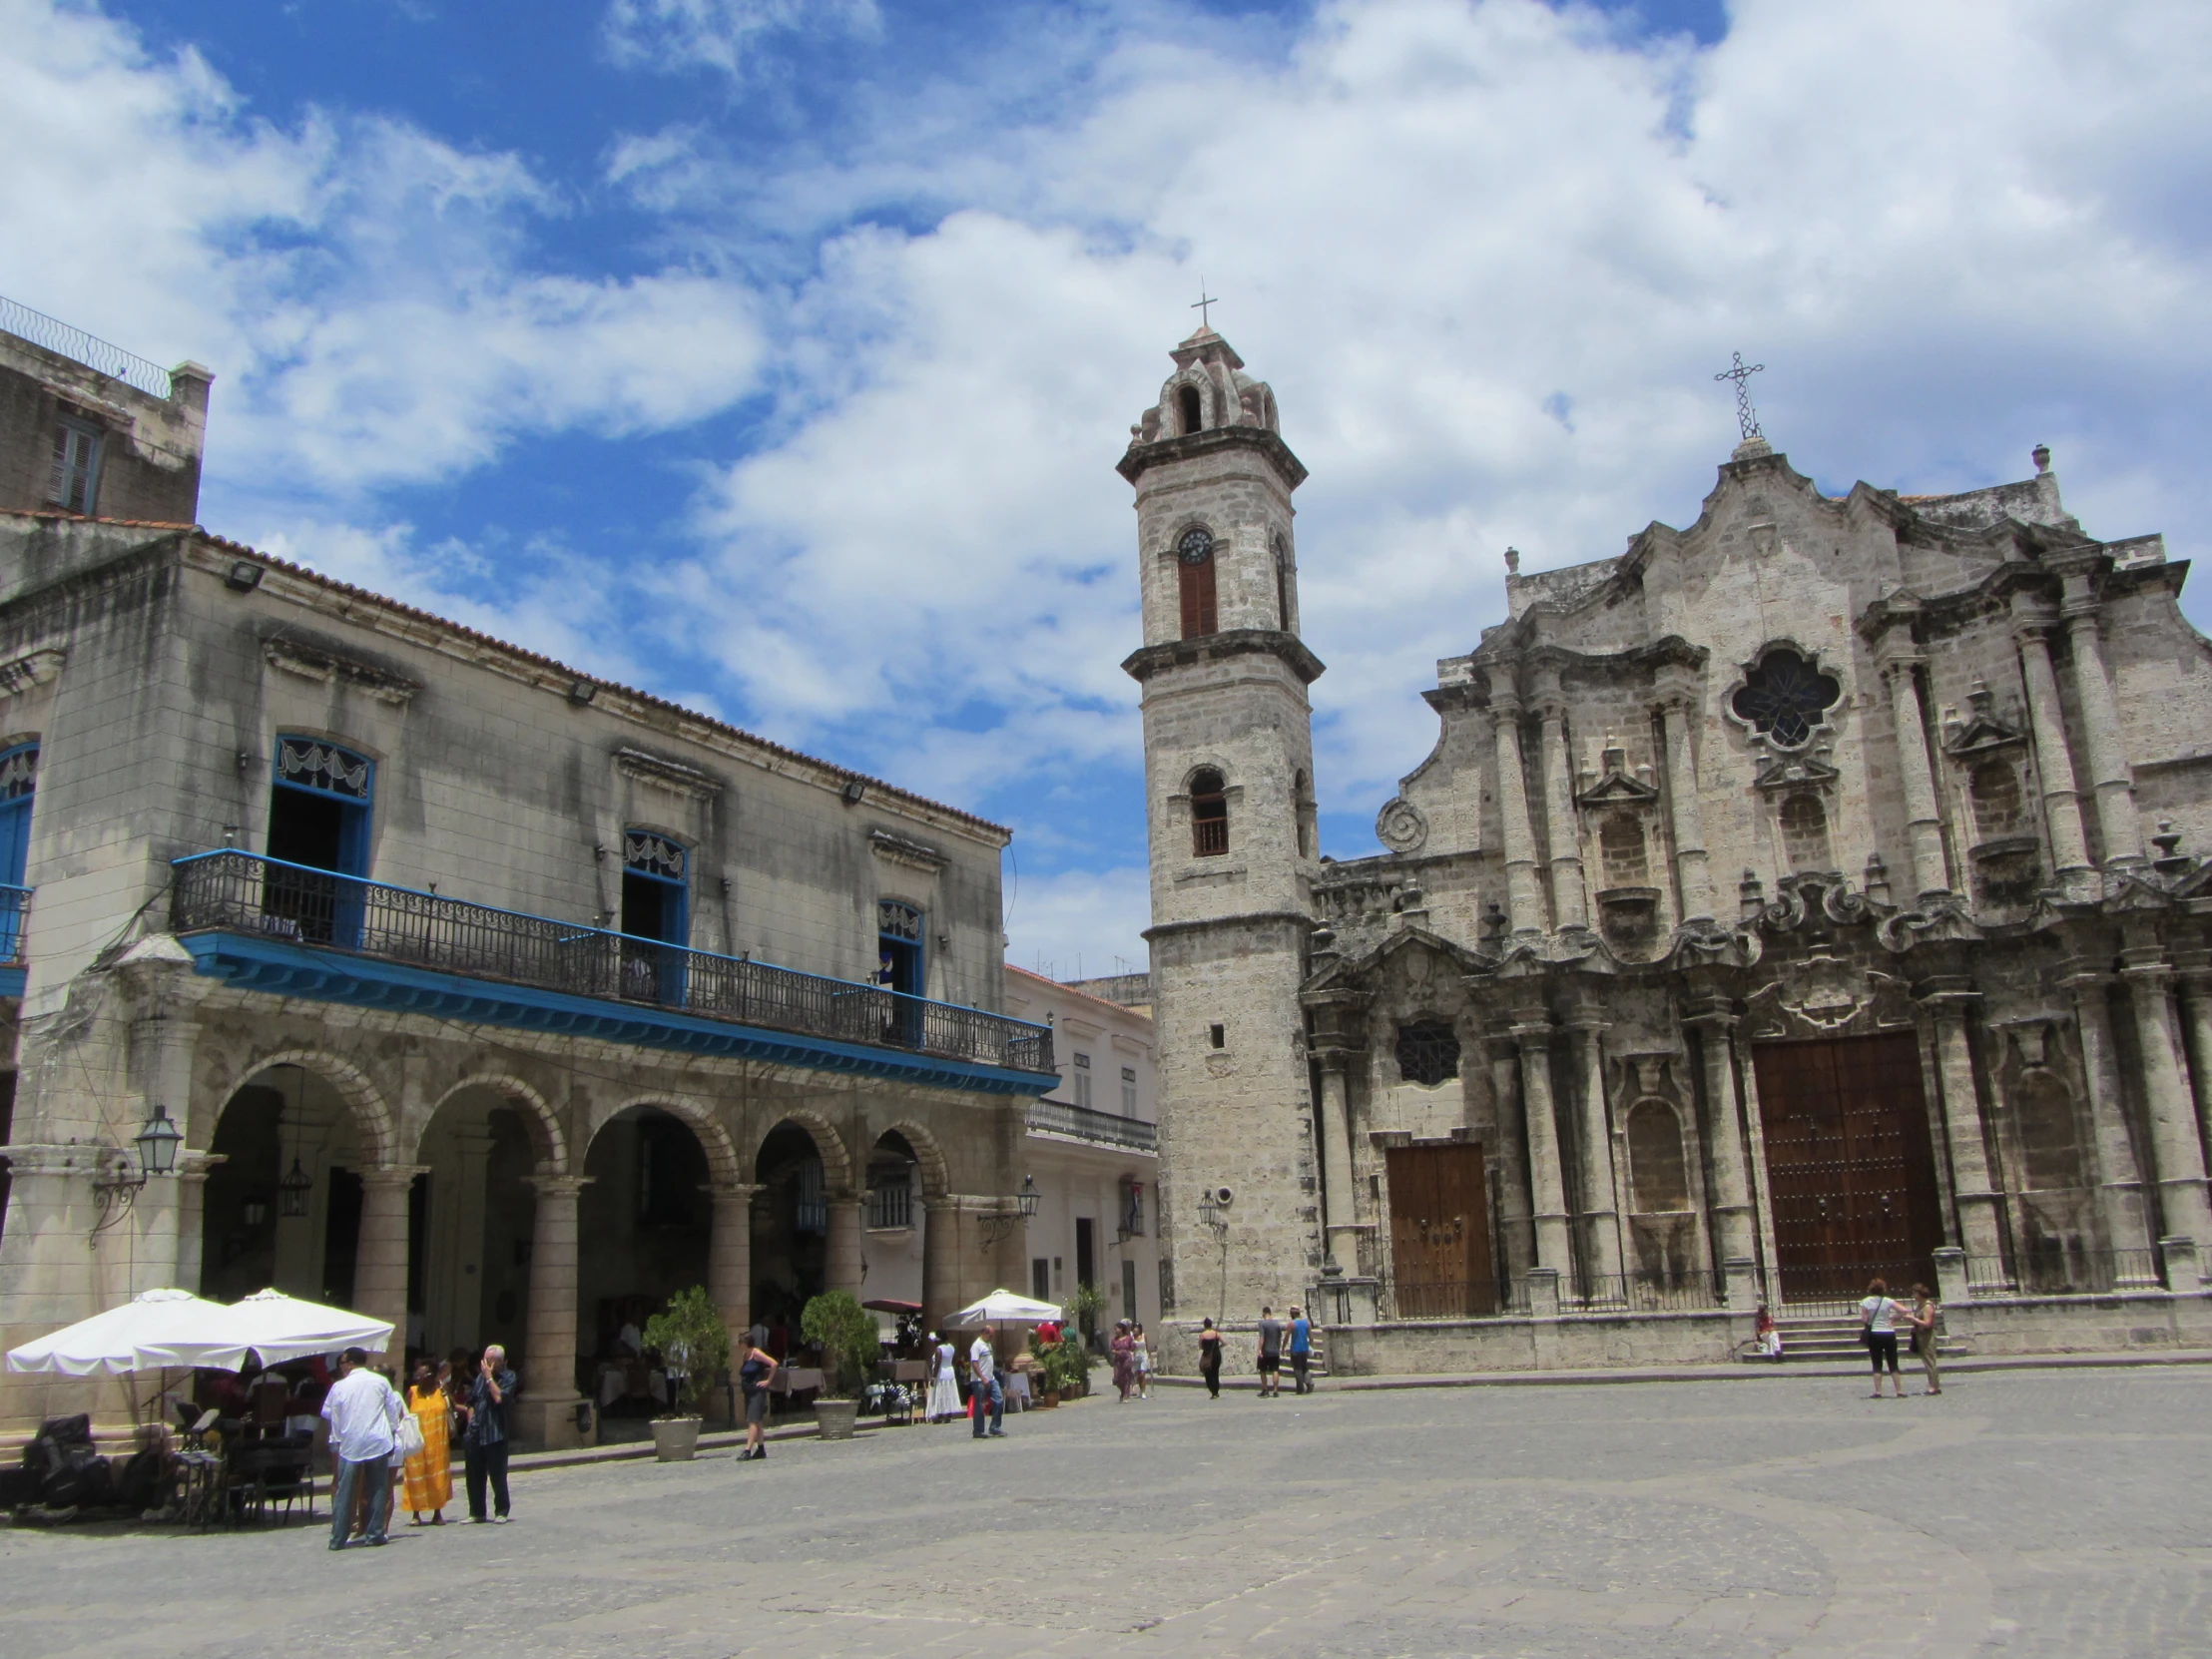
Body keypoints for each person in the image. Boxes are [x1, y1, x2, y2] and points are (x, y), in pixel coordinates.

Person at [320, 1347, 403, 1551]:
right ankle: (375, 1533)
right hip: (378, 1439)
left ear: (350, 1363)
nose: (341, 1366)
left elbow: (333, 1414)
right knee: (378, 1488)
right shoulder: (381, 1381)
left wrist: (338, 1439)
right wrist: (392, 1433)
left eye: (342, 1362)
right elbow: (392, 1411)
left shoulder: (340, 1386)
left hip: (351, 1442)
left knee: (345, 1491)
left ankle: (338, 1538)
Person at [460, 1343, 519, 1522]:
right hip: (476, 1433)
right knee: (474, 1475)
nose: (487, 1365)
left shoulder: (509, 1377)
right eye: (486, 1361)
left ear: (502, 1362)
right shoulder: (479, 1379)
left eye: (492, 1361)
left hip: (496, 1433)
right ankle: (476, 1512)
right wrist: (471, 1423)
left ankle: (501, 1511)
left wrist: (489, 1378)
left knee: (497, 1475)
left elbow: (499, 1397)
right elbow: (471, 1402)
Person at [402, 1360, 453, 1524]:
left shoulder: (442, 1391)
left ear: (432, 1375)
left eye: (424, 1374)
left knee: (437, 1476)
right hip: (417, 1443)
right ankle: (416, 1514)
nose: (420, 1378)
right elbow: (403, 1415)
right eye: (418, 1375)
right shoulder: (412, 1392)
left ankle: (437, 1513)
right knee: (415, 1476)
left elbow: (451, 1409)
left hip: (437, 1443)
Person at [1860, 1278, 1907, 1398]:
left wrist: (1869, 1320)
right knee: (1893, 1361)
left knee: (1876, 1362)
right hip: (1888, 1332)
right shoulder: (1887, 1301)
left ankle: (1878, 1391)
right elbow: (1904, 1310)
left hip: (1874, 1333)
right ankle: (1899, 1390)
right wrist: (1893, 1318)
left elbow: (1864, 1319)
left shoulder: (1866, 1301)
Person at [735, 1334, 779, 1460]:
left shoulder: (756, 1353)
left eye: (741, 1343)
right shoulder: (745, 1355)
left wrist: (768, 1381)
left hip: (757, 1392)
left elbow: (773, 1363)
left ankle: (747, 1450)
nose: (739, 1345)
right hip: (748, 1392)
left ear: (747, 1343)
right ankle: (761, 1449)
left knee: (752, 1420)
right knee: (758, 1421)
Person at [968, 1324, 1004, 1438]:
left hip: (991, 1378)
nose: (992, 1338)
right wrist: (983, 1377)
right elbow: (974, 1363)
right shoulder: (976, 1345)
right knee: (980, 1405)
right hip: (979, 1380)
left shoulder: (988, 1344)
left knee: (999, 1400)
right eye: (991, 1335)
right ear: (984, 1333)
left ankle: (995, 1427)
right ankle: (978, 1430)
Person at [1907, 1283, 1942, 1395]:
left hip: (1927, 1335)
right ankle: (1932, 1384)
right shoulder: (1920, 1305)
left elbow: (1928, 1323)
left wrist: (1913, 1319)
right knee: (1926, 1360)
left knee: (1930, 1361)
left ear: (1920, 1293)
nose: (1913, 1296)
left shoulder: (1927, 1305)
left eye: (1914, 1293)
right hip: (1920, 1334)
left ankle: (1934, 1386)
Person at [926, 1332, 960, 1423]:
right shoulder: (951, 1347)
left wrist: (933, 1377)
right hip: (950, 1371)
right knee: (949, 1393)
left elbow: (937, 1363)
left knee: (940, 1394)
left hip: (941, 1373)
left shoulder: (939, 1349)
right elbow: (955, 1359)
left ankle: (940, 1414)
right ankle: (949, 1414)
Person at [1256, 1306, 1284, 1398]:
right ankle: (1275, 1390)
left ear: (1263, 1313)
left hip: (1265, 1351)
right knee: (1275, 1370)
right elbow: (1279, 1338)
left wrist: (1260, 1349)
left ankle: (1265, 1389)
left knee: (1262, 1370)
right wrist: (1278, 1348)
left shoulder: (1262, 1324)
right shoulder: (1276, 1324)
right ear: (1270, 1313)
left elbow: (1262, 1337)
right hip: (1275, 1350)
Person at [1287, 1307, 1313, 1394]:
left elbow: (1286, 1337)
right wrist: (1311, 1346)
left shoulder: (1292, 1324)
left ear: (1293, 1314)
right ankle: (1309, 1382)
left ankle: (1300, 1389)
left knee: (1297, 1369)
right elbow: (1311, 1337)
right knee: (1304, 1367)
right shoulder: (1307, 1323)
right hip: (1305, 1348)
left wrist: (1283, 1347)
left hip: (1295, 1349)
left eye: (1290, 1313)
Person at [1109, 1321, 1136, 1402]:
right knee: (1117, 1379)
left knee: (1126, 1377)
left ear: (1121, 1329)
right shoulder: (1114, 1340)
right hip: (1118, 1360)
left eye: (1116, 1329)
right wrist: (1117, 1352)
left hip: (1127, 1358)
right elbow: (1112, 1350)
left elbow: (1132, 1348)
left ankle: (1126, 1395)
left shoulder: (1129, 1338)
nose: (1115, 1331)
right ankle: (1123, 1391)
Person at [1198, 1318, 1224, 1398]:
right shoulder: (1216, 1333)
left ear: (1204, 1325)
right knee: (1215, 1373)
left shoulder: (1202, 1335)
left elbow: (1200, 1346)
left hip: (1207, 1355)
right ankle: (1216, 1391)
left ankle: (1213, 1391)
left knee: (1208, 1373)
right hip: (1216, 1354)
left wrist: (1205, 1349)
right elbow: (1225, 1342)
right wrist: (1219, 1347)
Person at [1134, 1324, 1152, 1399]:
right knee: (1138, 1376)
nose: (1135, 1329)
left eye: (1137, 1328)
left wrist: (1150, 1356)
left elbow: (1147, 1346)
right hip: (1136, 1357)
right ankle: (1141, 1389)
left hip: (1143, 1356)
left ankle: (1143, 1391)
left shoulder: (1144, 1336)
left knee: (1142, 1374)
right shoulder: (1132, 1337)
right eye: (1134, 1328)